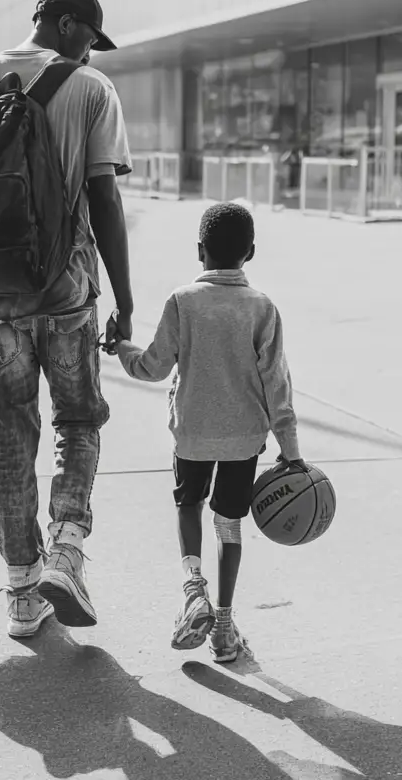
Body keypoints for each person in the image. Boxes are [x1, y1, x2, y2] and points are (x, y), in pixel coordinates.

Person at [0, 0, 134, 639]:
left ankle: (22, 590)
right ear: (66, 24)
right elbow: (104, 201)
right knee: (79, 420)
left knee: (11, 437)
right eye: (89, 38)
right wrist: (126, 301)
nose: (89, 52)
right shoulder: (90, 90)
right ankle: (66, 550)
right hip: (66, 294)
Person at [106, 202, 305, 663]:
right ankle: (223, 626)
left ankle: (193, 588)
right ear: (250, 252)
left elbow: (153, 366)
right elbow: (277, 384)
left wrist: (121, 346)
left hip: (192, 435)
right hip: (243, 438)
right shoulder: (262, 308)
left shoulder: (183, 301)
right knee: (228, 524)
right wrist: (291, 449)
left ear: (200, 251)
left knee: (189, 504)